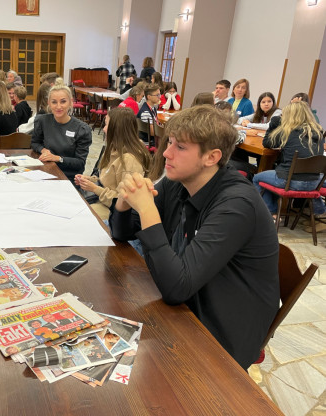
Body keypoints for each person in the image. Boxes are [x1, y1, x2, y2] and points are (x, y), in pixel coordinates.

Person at [109, 105, 280, 369]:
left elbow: (176, 289)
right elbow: (122, 233)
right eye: (170, 142)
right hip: (188, 306)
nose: (166, 153)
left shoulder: (237, 204)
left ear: (211, 157)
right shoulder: (179, 181)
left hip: (221, 333)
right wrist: (123, 202)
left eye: (180, 147)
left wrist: (146, 209)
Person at [75, 107, 151, 220]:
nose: (104, 129)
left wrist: (95, 189)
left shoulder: (130, 161)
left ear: (117, 129)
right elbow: (108, 181)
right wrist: (90, 180)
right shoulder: (114, 148)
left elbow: (125, 201)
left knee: (79, 215)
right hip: (102, 201)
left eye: (106, 125)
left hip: (112, 211)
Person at [253, 101, 325, 218]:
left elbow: (266, 143)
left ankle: (271, 213)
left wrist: (273, 125)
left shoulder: (287, 131)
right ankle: (319, 211)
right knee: (277, 175)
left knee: (257, 178)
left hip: (290, 181)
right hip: (314, 183)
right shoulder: (319, 133)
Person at [31, 84, 92, 181]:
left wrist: (57, 158)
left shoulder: (81, 129)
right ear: (49, 103)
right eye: (54, 102)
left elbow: (80, 163)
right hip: (45, 172)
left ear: (70, 102)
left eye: (63, 101)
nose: (58, 106)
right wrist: (43, 150)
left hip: (67, 177)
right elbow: (35, 143)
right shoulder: (42, 121)